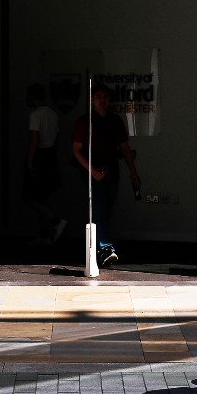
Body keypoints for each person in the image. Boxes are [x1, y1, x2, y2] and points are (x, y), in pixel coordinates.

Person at [71, 84, 141, 267]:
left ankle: (99, 249)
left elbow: (124, 148)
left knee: (105, 213)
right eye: (98, 96)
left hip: (112, 174)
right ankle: (106, 249)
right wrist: (91, 170)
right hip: (92, 176)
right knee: (100, 211)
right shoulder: (84, 121)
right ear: (92, 99)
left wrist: (133, 171)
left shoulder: (115, 121)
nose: (102, 100)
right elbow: (76, 150)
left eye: (105, 97)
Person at [23, 83, 66, 243]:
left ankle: (57, 222)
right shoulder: (53, 114)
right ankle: (44, 233)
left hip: (40, 155)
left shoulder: (36, 115)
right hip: (50, 155)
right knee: (42, 196)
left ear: (33, 97)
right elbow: (57, 139)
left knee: (30, 196)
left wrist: (30, 160)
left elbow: (35, 137)